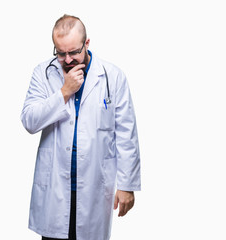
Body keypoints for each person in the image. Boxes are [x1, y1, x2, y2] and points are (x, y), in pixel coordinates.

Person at [21, 14, 141, 240]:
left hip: (95, 183)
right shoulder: (43, 73)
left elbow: (126, 133)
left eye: (74, 52)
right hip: (55, 185)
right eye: (61, 53)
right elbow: (29, 121)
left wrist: (127, 185)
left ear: (87, 43)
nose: (67, 60)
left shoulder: (112, 76)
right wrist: (64, 92)